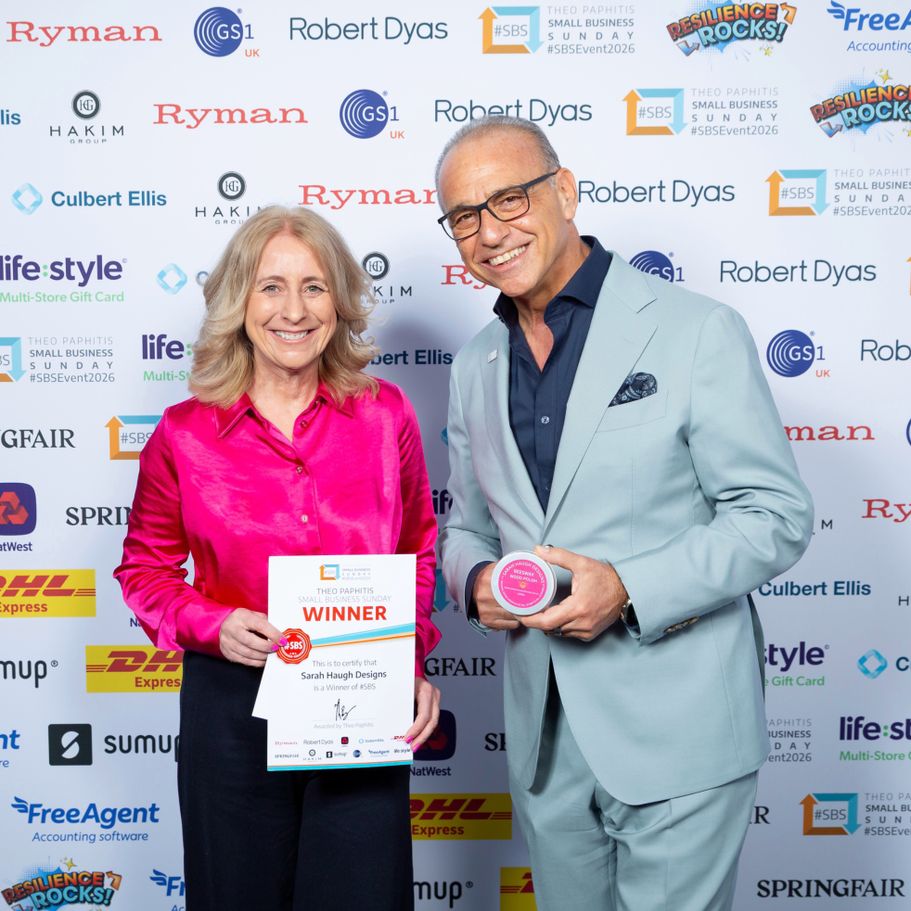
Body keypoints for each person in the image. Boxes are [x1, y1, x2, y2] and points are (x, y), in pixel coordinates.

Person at [436, 117, 813, 911]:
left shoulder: (695, 329)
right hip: (544, 739)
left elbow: (773, 513)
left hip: (679, 725)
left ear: (564, 191)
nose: (489, 232)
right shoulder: (474, 365)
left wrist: (628, 586)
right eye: (464, 216)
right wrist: (472, 581)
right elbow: (466, 526)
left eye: (508, 199)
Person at [115, 205, 440, 911]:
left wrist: (407, 658)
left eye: (314, 287)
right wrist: (212, 624)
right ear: (239, 300)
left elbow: (416, 550)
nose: (293, 310)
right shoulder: (183, 434)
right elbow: (144, 571)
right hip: (232, 705)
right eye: (271, 287)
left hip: (358, 696)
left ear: (339, 301)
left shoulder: (386, 415)